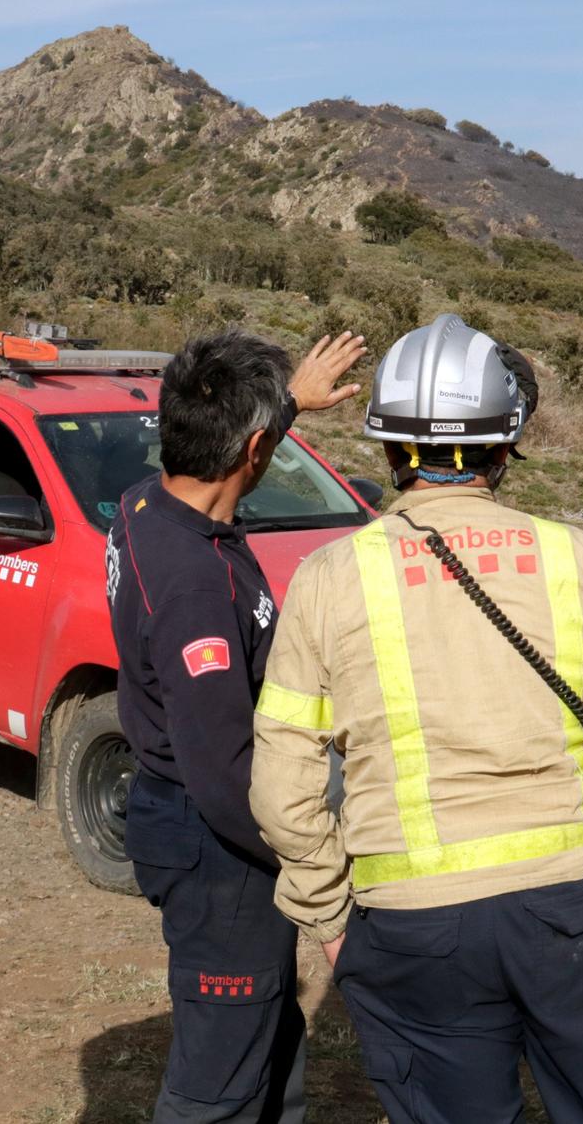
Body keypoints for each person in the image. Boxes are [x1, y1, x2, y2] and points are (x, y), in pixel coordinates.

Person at [250, 314, 583, 1124]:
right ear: (506, 445)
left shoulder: (326, 579)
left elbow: (283, 784)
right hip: (574, 907)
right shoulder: (576, 559)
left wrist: (327, 915)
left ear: (390, 450)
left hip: (410, 922)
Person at [107, 329, 366, 1124]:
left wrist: (291, 405)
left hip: (186, 816)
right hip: (218, 846)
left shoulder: (146, 501)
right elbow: (224, 774)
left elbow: (234, 454)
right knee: (217, 1079)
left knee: (268, 1033)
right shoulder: (193, 587)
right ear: (255, 447)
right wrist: (318, 861)